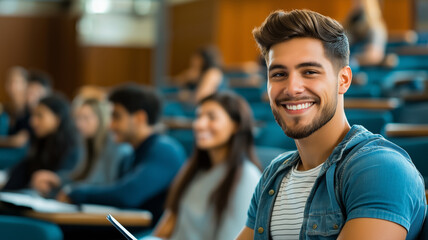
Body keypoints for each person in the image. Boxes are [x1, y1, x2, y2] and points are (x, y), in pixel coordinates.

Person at [236, 9, 426, 240]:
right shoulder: (274, 175)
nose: (292, 87)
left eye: (309, 72)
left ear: (343, 80)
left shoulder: (381, 168)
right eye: (278, 74)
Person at [57, 85, 186, 226]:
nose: (110, 125)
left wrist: (76, 193)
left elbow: (127, 196)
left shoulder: (164, 150)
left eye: (116, 117)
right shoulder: (131, 155)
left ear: (139, 118)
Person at [150, 92, 261, 240]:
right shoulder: (194, 171)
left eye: (211, 117)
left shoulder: (247, 176)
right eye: (198, 117)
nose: (199, 124)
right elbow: (165, 229)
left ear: (236, 125)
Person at [3, 93, 81, 196]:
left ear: (57, 119)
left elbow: (69, 184)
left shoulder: (74, 149)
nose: (32, 122)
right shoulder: (40, 144)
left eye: (40, 116)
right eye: (33, 115)